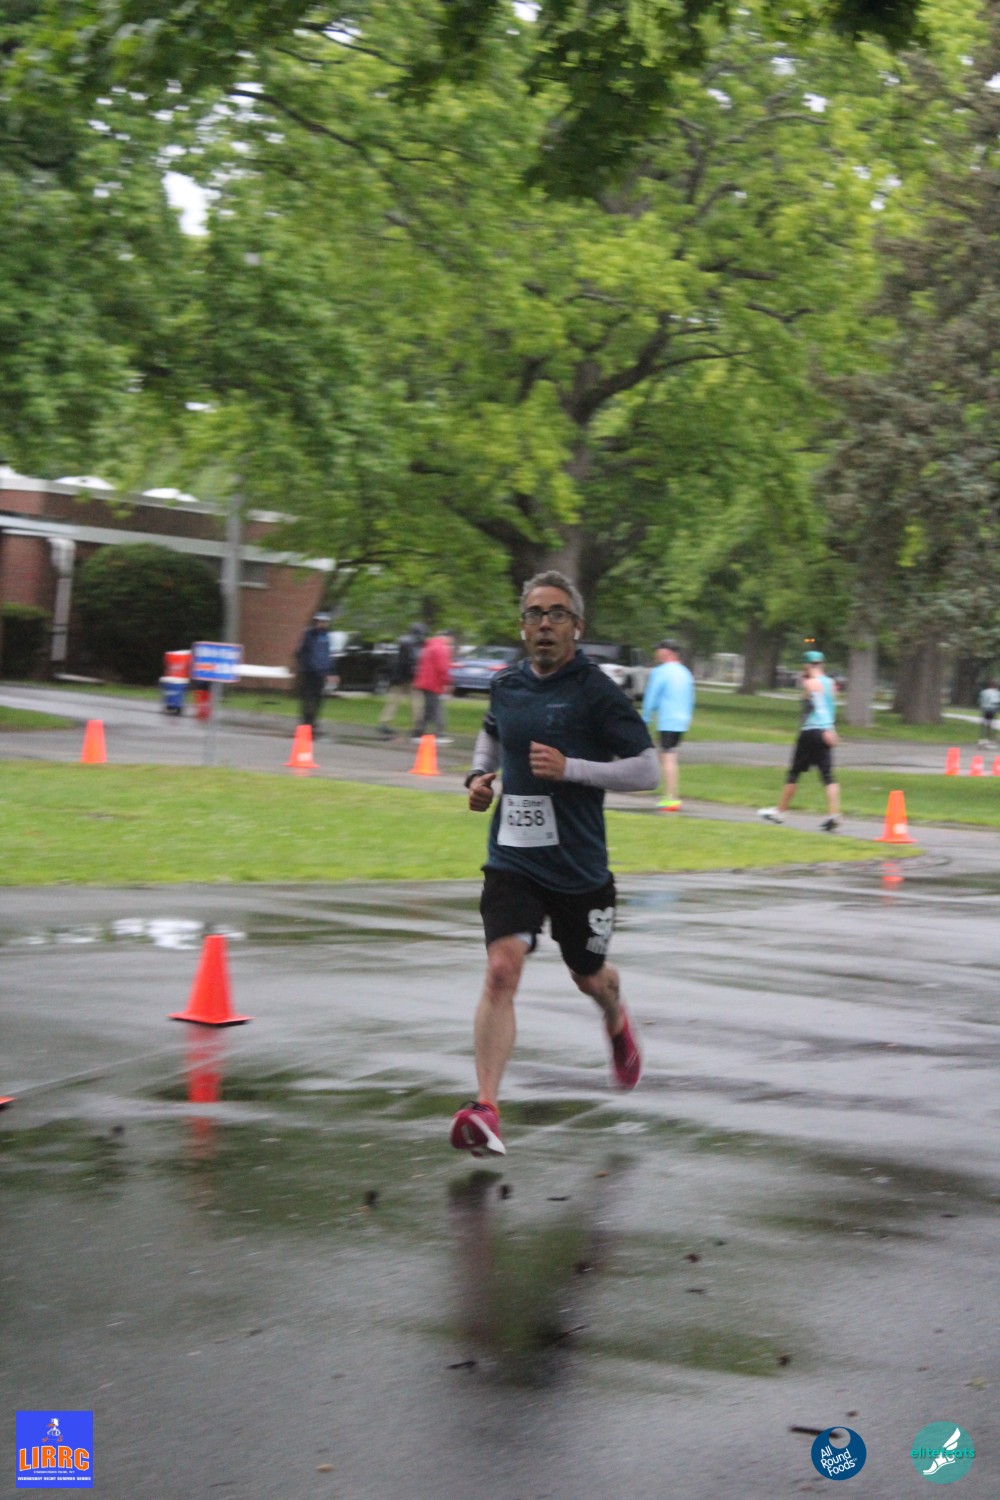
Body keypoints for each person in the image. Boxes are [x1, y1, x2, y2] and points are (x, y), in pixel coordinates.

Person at [450, 569, 660, 1157]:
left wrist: (573, 769)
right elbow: (492, 734)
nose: (545, 624)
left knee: (589, 976)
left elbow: (647, 770)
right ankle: (486, 1108)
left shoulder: (597, 692)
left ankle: (615, 1017)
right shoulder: (506, 684)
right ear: (522, 626)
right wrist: (479, 775)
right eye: (535, 614)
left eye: (557, 614)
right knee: (501, 970)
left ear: (577, 627)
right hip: (513, 857)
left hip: (578, 867)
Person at [758, 650, 841, 831]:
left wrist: (825, 727)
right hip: (826, 732)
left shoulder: (810, 683)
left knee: (794, 773)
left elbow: (817, 707)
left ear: (806, 665)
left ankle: (780, 812)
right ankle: (833, 814)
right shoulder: (831, 683)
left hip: (811, 731)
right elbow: (830, 708)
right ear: (822, 664)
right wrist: (831, 729)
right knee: (828, 776)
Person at [641, 638, 696, 811]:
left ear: (666, 652)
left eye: (658, 649)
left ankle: (671, 798)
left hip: (668, 720)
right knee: (670, 756)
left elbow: (652, 697)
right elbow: (690, 698)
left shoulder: (661, 672)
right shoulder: (685, 672)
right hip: (682, 720)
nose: (656, 653)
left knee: (667, 758)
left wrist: (646, 717)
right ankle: (672, 795)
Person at [377, 623, 425, 739]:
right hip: (409, 677)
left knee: (393, 701)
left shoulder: (401, 641)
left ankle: (384, 723)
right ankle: (418, 726)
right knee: (416, 701)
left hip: (397, 677)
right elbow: (411, 661)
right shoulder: (413, 643)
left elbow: (396, 661)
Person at [413, 628, 455, 745]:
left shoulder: (430, 646)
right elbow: (442, 668)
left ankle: (418, 732)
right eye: (451, 640)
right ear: (448, 637)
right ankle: (439, 734)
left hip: (425, 681)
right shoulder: (441, 648)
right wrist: (447, 682)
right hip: (433, 683)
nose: (451, 642)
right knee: (437, 709)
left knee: (428, 709)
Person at [294, 611, 333, 733]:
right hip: (310, 672)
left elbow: (327, 655)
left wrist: (329, 671)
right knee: (308, 698)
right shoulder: (309, 634)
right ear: (316, 622)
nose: (323, 624)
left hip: (321, 673)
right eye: (321, 622)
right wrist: (306, 665)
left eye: (325, 622)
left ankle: (313, 722)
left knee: (318, 699)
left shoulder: (326, 637)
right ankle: (306, 722)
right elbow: (300, 652)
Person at [978, 680, 1000, 747]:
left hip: (984, 708)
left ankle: (982, 739)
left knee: (984, 724)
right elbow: (995, 701)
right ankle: (989, 739)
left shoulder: (984, 692)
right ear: (994, 686)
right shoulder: (996, 692)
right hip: (991, 709)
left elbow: (980, 700)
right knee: (991, 724)